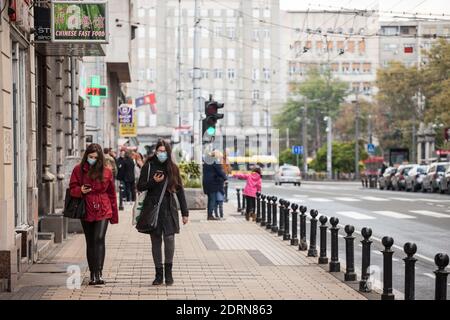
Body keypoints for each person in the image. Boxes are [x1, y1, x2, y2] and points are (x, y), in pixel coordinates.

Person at [137, 139, 189, 286]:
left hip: (169, 207)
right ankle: (158, 274)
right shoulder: (148, 166)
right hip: (153, 207)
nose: (161, 153)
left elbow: (180, 191)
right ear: (155, 152)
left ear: (168, 152)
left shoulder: (173, 168)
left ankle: (169, 272)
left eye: (164, 151)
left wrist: (185, 212)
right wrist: (153, 181)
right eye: (159, 151)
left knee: (170, 239)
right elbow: (140, 186)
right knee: (156, 240)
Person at [69, 143, 118, 285]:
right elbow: (72, 188)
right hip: (87, 207)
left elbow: (111, 194)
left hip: (103, 207)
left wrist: (114, 215)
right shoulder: (78, 170)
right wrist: (80, 191)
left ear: (100, 158)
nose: (92, 159)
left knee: (99, 238)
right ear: (86, 156)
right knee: (90, 241)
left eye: (95, 157)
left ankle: (99, 273)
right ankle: (93, 274)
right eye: (90, 157)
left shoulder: (107, 171)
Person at [203, 150, 227, 221]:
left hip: (206, 182)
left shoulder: (207, 161)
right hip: (212, 183)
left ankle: (209, 215)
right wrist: (225, 178)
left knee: (210, 199)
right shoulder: (215, 161)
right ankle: (210, 215)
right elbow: (219, 171)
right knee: (212, 199)